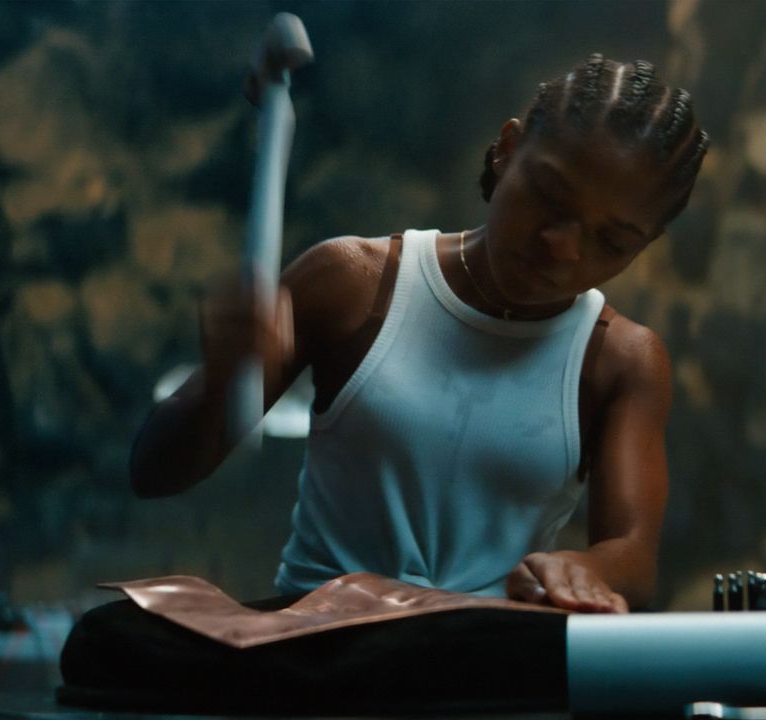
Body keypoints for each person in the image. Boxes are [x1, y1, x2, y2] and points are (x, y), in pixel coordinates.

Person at [129, 54, 709, 614]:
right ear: (508, 149)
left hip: (475, 659)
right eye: (549, 196)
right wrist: (225, 376)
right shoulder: (353, 283)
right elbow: (153, 471)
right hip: (316, 646)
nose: (562, 245)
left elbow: (633, 556)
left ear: (645, 246)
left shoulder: (620, 361)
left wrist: (587, 569)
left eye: (611, 241)